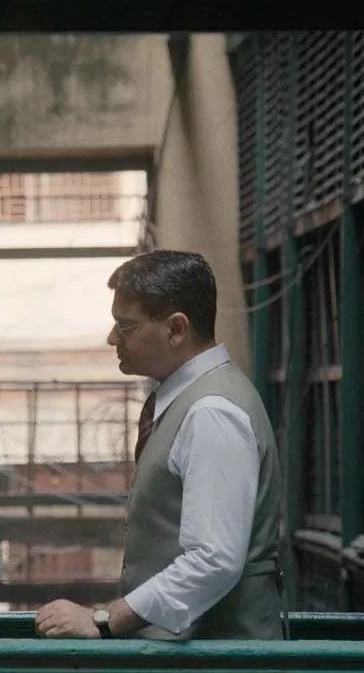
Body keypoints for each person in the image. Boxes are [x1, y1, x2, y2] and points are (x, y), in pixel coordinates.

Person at [35, 250, 284, 641]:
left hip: (221, 669)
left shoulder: (210, 412)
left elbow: (213, 560)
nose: (112, 338)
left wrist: (105, 619)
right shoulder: (191, 402)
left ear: (176, 329)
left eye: (126, 326)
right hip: (196, 665)